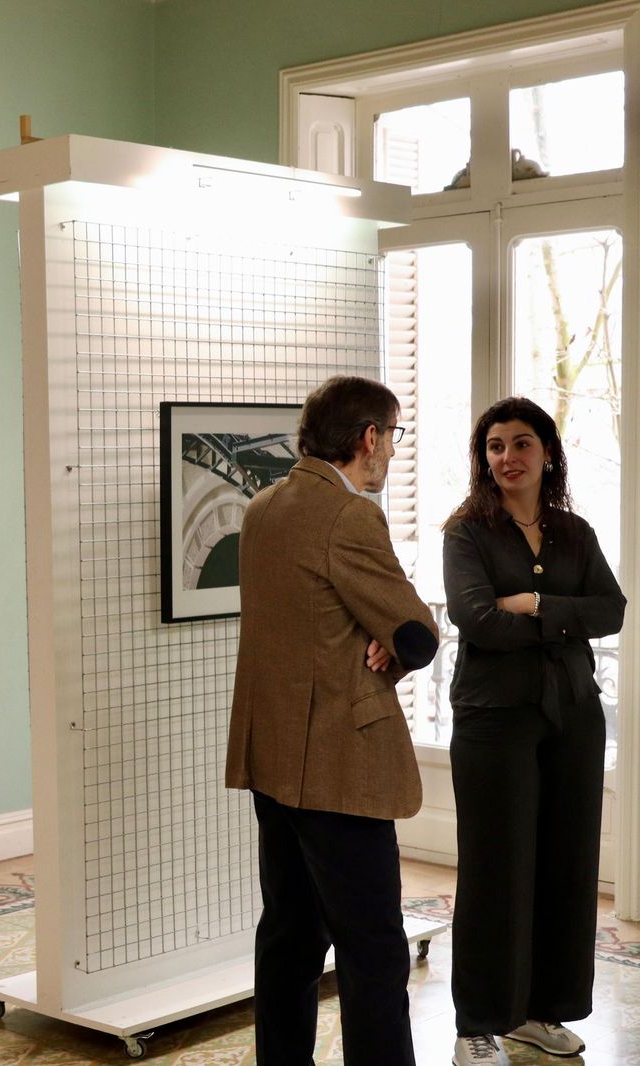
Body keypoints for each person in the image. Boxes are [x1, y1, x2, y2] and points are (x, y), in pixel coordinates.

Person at [227, 375, 439, 1066]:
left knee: (288, 934)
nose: (393, 452)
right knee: (373, 947)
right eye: (394, 436)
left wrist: (377, 635)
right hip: (340, 767)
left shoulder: (263, 506)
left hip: (273, 759)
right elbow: (417, 635)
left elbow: (310, 626)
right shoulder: (349, 516)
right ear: (369, 437)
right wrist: (393, 638)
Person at [443, 397, 625, 1066]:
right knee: (496, 870)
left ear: (548, 453)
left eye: (521, 443)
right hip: (495, 719)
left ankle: (538, 1012)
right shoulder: (466, 533)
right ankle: (477, 1023)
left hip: (574, 712)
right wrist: (562, 621)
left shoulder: (574, 531)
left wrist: (537, 604)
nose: (507, 457)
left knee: (567, 866)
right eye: (495, 446)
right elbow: (476, 620)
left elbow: (613, 610)